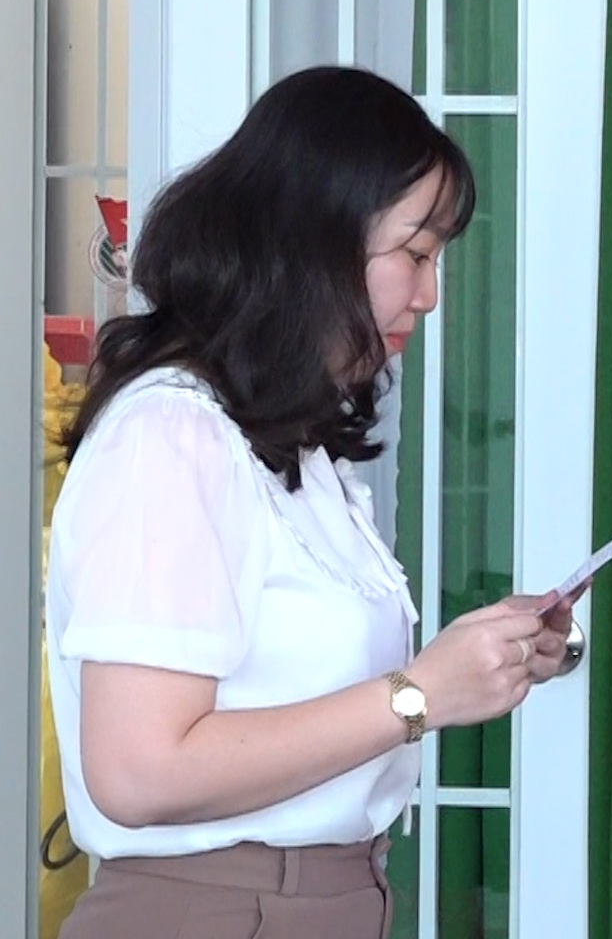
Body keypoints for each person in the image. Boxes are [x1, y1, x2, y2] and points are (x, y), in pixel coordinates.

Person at [44, 66, 571, 939]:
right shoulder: (171, 435)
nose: (431, 295)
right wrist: (419, 694)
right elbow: (138, 772)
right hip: (214, 912)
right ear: (314, 243)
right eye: (415, 255)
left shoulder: (288, 446)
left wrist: (483, 662)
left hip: (325, 900)